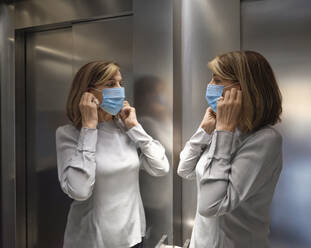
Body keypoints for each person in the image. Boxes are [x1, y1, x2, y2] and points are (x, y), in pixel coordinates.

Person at [55, 61, 170, 248]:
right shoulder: (69, 134)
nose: (119, 90)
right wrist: (89, 129)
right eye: (110, 84)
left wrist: (134, 127)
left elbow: (161, 167)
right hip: (90, 241)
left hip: (132, 237)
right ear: (87, 93)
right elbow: (80, 190)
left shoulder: (124, 130)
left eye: (120, 83)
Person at [177, 51, 283, 248]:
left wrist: (223, 132)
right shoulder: (223, 129)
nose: (210, 86)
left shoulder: (266, 141)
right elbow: (185, 169)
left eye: (217, 80)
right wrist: (205, 131)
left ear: (245, 89)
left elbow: (211, 205)